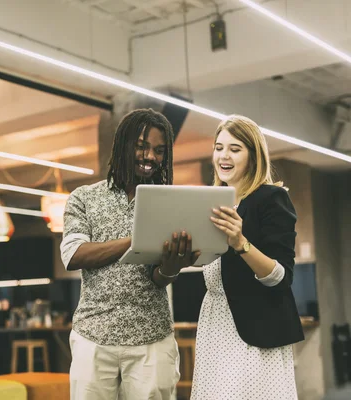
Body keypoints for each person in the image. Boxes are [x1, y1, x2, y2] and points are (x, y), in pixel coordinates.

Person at [61, 108, 200, 400]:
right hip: (94, 337)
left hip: (152, 338)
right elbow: (74, 254)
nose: (150, 156)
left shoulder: (169, 202)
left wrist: (172, 266)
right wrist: (136, 240)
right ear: (123, 144)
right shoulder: (85, 197)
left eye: (159, 151)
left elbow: (158, 277)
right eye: (142, 146)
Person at [191, 115, 304, 400]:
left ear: (253, 156)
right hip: (215, 323)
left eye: (235, 148)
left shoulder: (271, 199)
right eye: (218, 147)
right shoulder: (211, 202)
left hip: (256, 329)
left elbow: (280, 278)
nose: (223, 156)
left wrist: (241, 243)